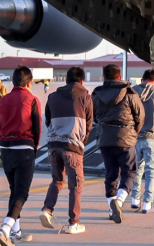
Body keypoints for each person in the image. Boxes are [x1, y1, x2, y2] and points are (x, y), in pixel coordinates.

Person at [39, 67, 93, 235]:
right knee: (75, 186)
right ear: (82, 81)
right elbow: (89, 124)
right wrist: (82, 142)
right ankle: (73, 223)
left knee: (57, 180)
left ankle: (47, 210)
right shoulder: (86, 97)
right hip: (73, 146)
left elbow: (48, 120)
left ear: (66, 80)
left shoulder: (53, 96)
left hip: (54, 145)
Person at [0, 65, 42, 246]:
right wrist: (34, 148)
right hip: (24, 147)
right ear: (29, 83)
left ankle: (17, 232)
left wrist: (1, 144)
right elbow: (37, 128)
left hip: (6, 148)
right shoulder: (32, 99)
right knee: (21, 192)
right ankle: (5, 229)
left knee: (14, 190)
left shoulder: (2, 101)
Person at [92, 64, 144, 224]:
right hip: (126, 138)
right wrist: (133, 133)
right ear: (120, 76)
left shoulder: (97, 94)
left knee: (111, 174)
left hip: (105, 139)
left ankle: (111, 207)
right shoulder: (130, 93)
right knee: (130, 172)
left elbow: (93, 116)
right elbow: (140, 116)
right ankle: (119, 202)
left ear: (104, 77)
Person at [130, 69, 154, 213]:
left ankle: (134, 199)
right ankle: (147, 203)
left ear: (143, 79)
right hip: (151, 136)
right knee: (151, 171)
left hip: (135, 136)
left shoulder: (133, 92)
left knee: (136, 169)